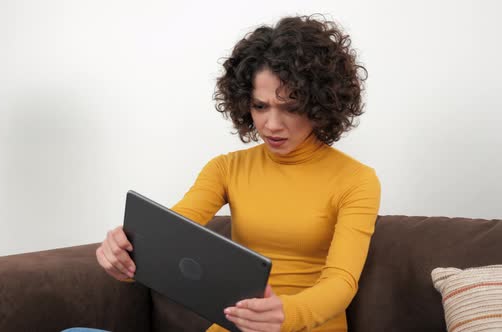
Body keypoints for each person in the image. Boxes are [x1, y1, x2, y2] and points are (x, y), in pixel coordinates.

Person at [93, 14, 381, 332]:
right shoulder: (227, 168)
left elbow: (341, 282)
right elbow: (172, 230)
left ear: (321, 105)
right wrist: (128, 253)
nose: (271, 125)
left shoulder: (356, 180)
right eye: (260, 106)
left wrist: (286, 313)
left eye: (290, 107)